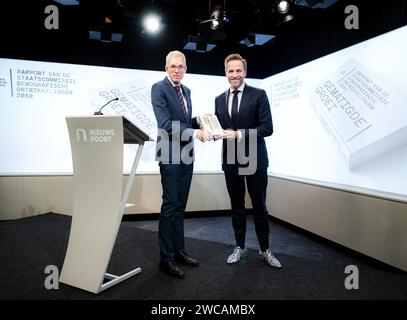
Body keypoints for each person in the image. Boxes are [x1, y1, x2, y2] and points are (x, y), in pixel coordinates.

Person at [214, 53, 282, 269]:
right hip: (231, 160)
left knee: (260, 207)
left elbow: (267, 128)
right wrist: (213, 133)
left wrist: (239, 134)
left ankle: (264, 249)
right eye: (230, 71)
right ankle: (239, 247)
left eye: (238, 70)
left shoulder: (259, 94)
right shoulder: (219, 99)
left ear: (244, 72)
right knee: (237, 207)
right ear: (226, 73)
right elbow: (221, 128)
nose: (234, 74)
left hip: (255, 159)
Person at [151, 50, 211, 279]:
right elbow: (166, 125)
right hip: (169, 155)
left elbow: (184, 121)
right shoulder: (159, 88)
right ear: (166, 68)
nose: (177, 70)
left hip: (187, 154)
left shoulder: (187, 90)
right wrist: (196, 133)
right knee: (170, 206)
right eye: (173, 66)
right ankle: (165, 259)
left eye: (181, 66)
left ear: (186, 69)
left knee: (180, 206)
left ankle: (179, 252)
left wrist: (202, 121)